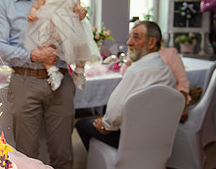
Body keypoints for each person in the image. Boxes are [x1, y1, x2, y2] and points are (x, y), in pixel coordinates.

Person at [0, 0, 86, 169]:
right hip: (25, 81)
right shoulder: (3, 4)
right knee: (26, 154)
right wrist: (35, 55)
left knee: (62, 152)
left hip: (61, 81)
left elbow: (78, 31)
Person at [75, 21, 176, 150]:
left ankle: (103, 163)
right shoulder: (166, 70)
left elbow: (115, 109)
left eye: (136, 37)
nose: (129, 42)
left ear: (151, 42)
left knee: (82, 124)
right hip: (158, 137)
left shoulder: (136, 71)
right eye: (130, 37)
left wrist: (105, 125)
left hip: (131, 138)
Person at [25, 0, 100, 91]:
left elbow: (80, 12)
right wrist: (33, 14)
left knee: (83, 46)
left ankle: (79, 71)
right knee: (46, 51)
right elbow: (37, 6)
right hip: (50, 28)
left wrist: (81, 12)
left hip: (70, 29)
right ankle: (53, 72)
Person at [120, 46, 190, 123]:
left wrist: (183, 107)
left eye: (137, 37)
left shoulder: (170, 53)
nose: (130, 42)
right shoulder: (139, 55)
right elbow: (124, 72)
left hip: (166, 103)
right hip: (143, 104)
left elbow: (182, 82)